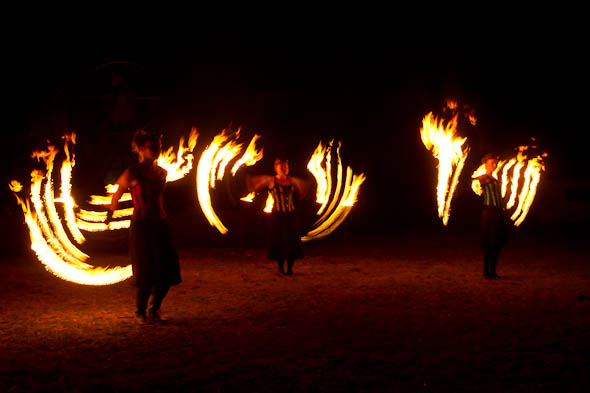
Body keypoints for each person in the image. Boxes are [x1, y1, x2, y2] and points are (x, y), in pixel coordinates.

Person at [108, 130, 181, 322]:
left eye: (159, 146)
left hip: (161, 225)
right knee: (147, 272)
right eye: (152, 147)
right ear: (141, 149)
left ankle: (153, 309)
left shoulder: (162, 173)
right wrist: (108, 216)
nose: (157, 150)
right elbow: (116, 196)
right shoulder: (132, 173)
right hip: (142, 226)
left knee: (168, 271)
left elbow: (159, 200)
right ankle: (140, 312)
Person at [247, 158, 309, 275]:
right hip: (277, 215)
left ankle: (290, 268)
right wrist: (249, 179)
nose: (284, 168)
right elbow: (255, 183)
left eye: (286, 166)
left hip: (291, 215)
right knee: (279, 241)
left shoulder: (292, 180)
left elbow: (303, 188)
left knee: (292, 241)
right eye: (282, 167)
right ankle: (281, 268)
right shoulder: (271, 180)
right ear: (276, 168)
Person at [473, 153, 508, 279]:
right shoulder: (483, 178)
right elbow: (473, 182)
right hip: (489, 212)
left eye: (495, 163)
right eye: (492, 163)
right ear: (485, 164)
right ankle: (487, 271)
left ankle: (491, 271)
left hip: (497, 212)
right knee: (491, 241)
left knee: (498, 240)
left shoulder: (494, 179)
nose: (495, 165)